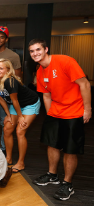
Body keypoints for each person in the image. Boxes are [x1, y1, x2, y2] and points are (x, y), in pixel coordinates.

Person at [29, 39, 92, 201]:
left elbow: (84, 84)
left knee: (70, 149)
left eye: (38, 50)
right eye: (32, 51)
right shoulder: (40, 71)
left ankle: (67, 183)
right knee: (52, 144)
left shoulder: (65, 61)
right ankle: (52, 175)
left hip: (74, 111)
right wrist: (50, 114)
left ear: (46, 49)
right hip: (55, 112)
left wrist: (88, 109)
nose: (35, 53)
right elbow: (46, 94)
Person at [0, 58, 40, 173]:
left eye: (1, 68)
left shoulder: (10, 81)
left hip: (29, 104)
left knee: (20, 131)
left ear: (8, 70)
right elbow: (1, 99)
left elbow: (15, 101)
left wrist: (21, 117)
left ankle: (21, 163)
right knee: (7, 129)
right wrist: (8, 115)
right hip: (15, 105)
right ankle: (8, 158)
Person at [0, 26, 22, 155]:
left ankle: (2, 148)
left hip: (5, 94)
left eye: (1, 37)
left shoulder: (13, 56)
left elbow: (17, 78)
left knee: (5, 122)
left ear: (6, 39)